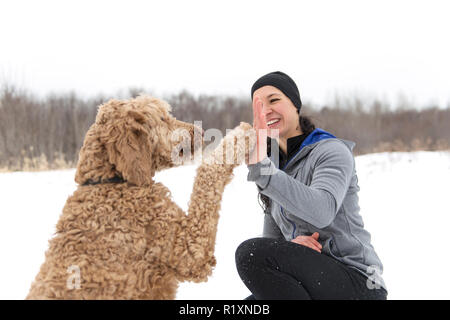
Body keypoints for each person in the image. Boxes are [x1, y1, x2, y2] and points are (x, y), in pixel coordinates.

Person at [235, 71, 388, 300]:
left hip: (359, 282)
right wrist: (292, 246)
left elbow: (322, 211)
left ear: (295, 105)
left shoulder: (330, 150)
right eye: (258, 105)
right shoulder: (274, 168)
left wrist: (263, 171)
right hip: (311, 281)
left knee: (249, 254)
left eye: (274, 100)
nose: (266, 110)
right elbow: (272, 245)